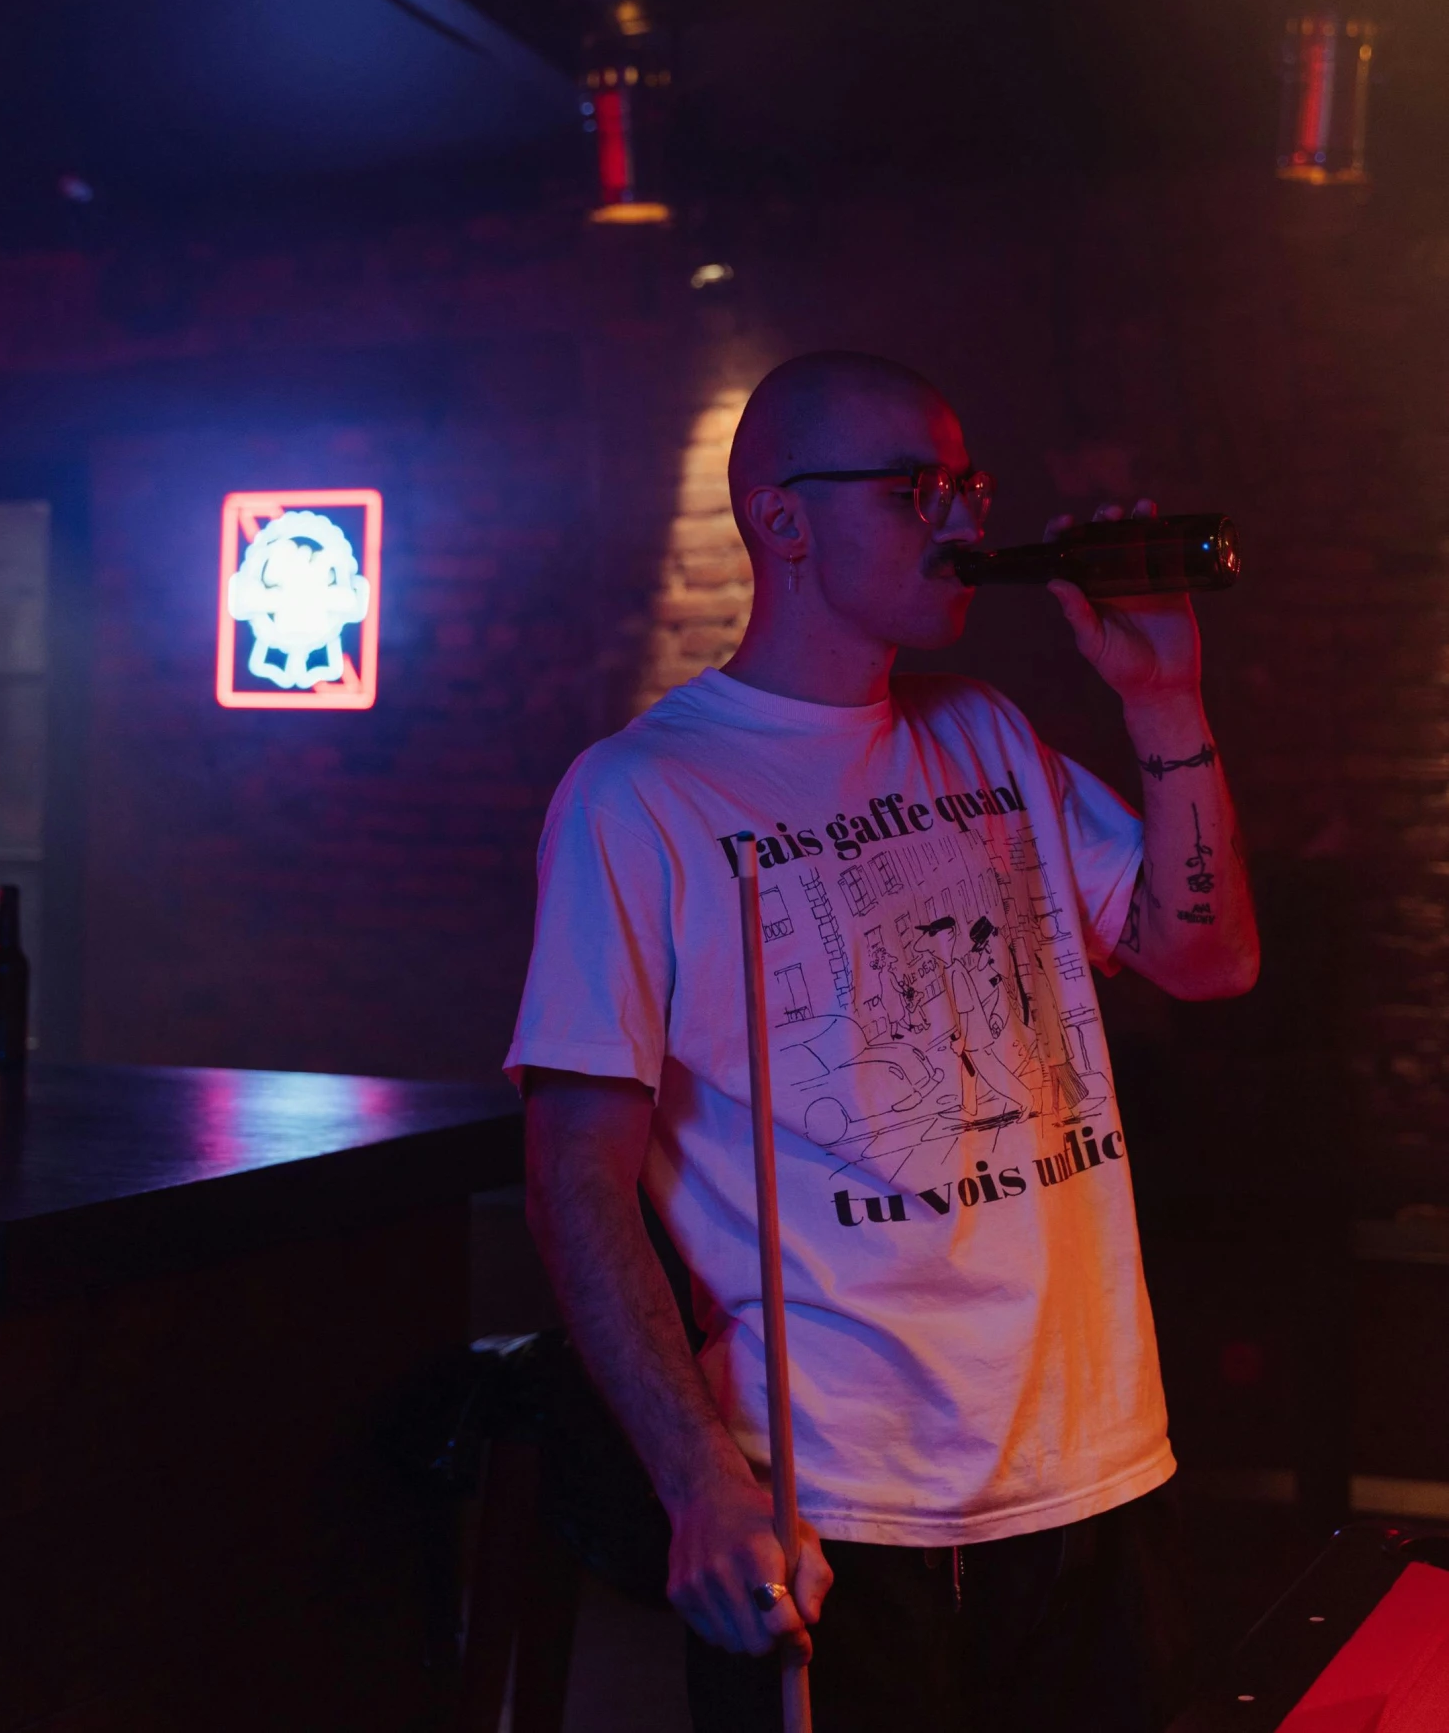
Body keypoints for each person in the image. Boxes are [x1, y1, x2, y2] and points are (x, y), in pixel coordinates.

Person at [508, 351, 1258, 1732]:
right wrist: (695, 1483)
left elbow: (1205, 956)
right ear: (781, 519)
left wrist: (1163, 701)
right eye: (916, 489)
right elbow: (573, 1168)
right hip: (834, 1506)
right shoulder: (642, 795)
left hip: (1092, 1462)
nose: (964, 520)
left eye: (967, 484)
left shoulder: (985, 733)